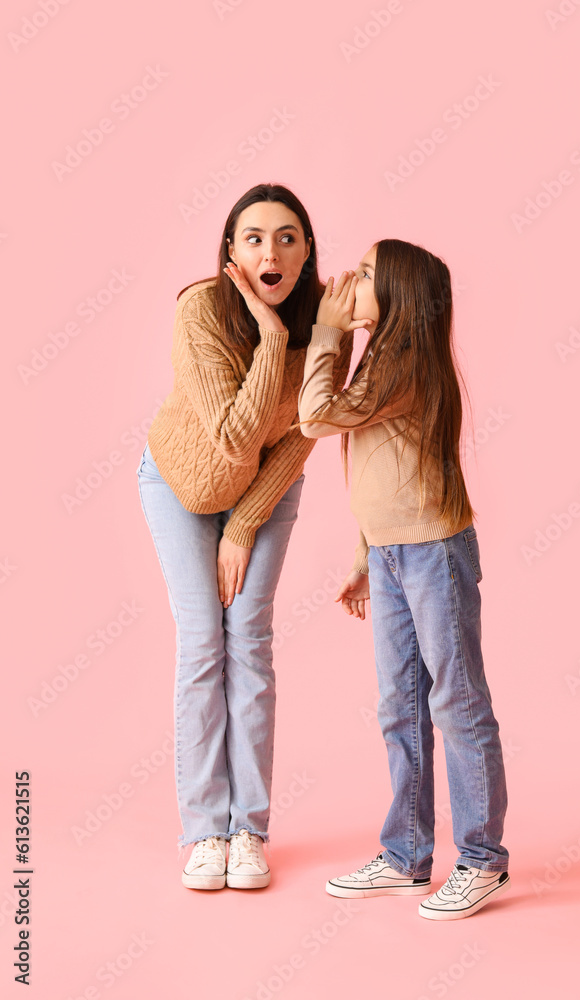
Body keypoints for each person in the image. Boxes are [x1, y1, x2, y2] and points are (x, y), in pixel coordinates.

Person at [137, 183, 352, 890]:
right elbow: (231, 439)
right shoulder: (198, 308)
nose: (272, 250)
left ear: (307, 249)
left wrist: (245, 526)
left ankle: (248, 831)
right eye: (254, 237)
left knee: (248, 642)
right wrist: (268, 336)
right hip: (180, 486)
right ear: (230, 251)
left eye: (288, 236)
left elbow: (300, 436)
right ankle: (204, 833)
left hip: (265, 491)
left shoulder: (326, 329)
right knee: (203, 640)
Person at [297, 239, 510, 920]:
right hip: (394, 554)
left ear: (395, 296)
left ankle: (480, 861)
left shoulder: (405, 364)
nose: (349, 280)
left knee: (456, 704)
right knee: (399, 706)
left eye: (364, 274)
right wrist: (366, 556)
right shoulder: (385, 360)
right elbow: (382, 470)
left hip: (433, 554)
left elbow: (313, 417)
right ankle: (405, 856)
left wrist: (326, 332)